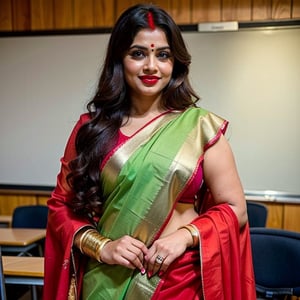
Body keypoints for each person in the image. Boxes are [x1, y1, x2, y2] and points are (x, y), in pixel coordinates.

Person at [44, 4, 256, 300]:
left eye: (163, 55)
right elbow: (61, 207)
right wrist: (102, 247)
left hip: (179, 280)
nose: (151, 67)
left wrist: (184, 237)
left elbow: (235, 209)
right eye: (138, 53)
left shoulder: (200, 127)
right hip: (106, 281)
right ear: (120, 58)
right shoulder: (91, 130)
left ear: (175, 63)